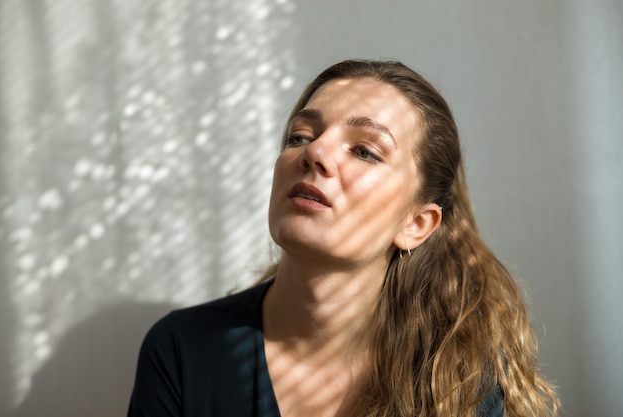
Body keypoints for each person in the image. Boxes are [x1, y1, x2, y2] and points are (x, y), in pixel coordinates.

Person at [127, 59, 560, 417]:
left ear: (416, 224)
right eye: (300, 136)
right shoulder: (184, 351)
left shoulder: (460, 376)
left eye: (365, 150)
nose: (314, 153)